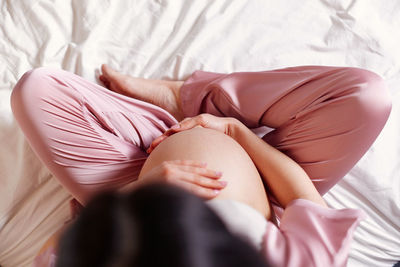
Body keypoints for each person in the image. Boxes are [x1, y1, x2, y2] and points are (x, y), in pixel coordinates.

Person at [10, 64, 392, 266]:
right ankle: (192, 97)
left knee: (36, 88)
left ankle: (175, 110)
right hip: (267, 177)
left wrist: (132, 199)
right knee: (365, 96)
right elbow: (300, 196)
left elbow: (54, 252)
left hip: (130, 181)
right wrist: (236, 132)